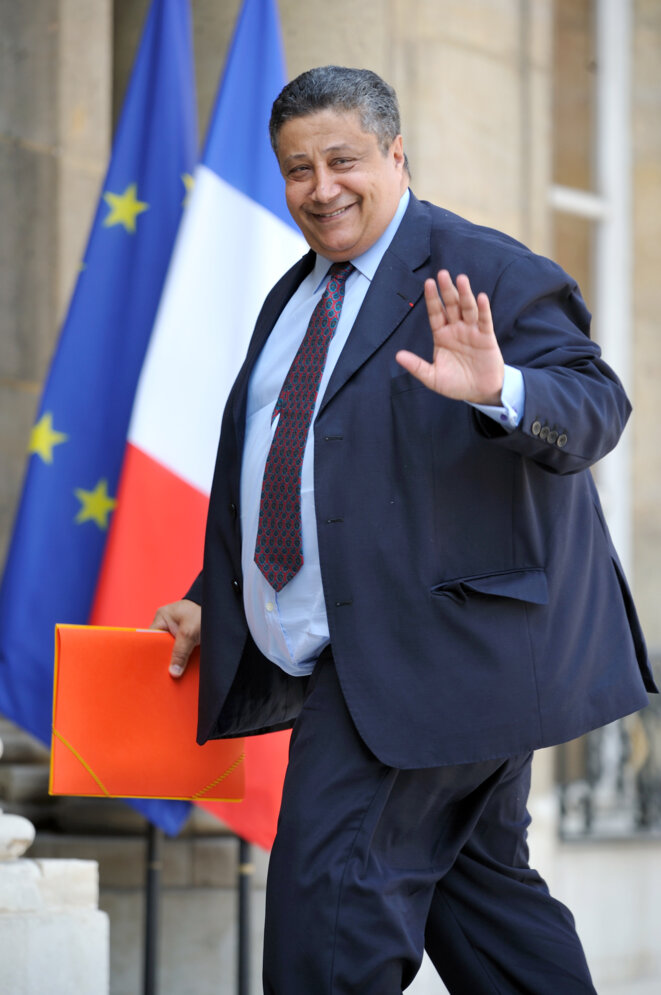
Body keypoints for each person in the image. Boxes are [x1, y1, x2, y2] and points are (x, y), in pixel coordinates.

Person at [153, 66, 656, 994]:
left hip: (423, 659)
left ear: (396, 153)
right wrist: (207, 600)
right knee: (491, 917)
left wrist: (502, 390)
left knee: (325, 924)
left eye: (342, 159)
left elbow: (595, 406)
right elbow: (298, 470)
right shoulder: (296, 295)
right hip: (420, 668)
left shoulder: (483, 267)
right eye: (297, 169)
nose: (320, 188)